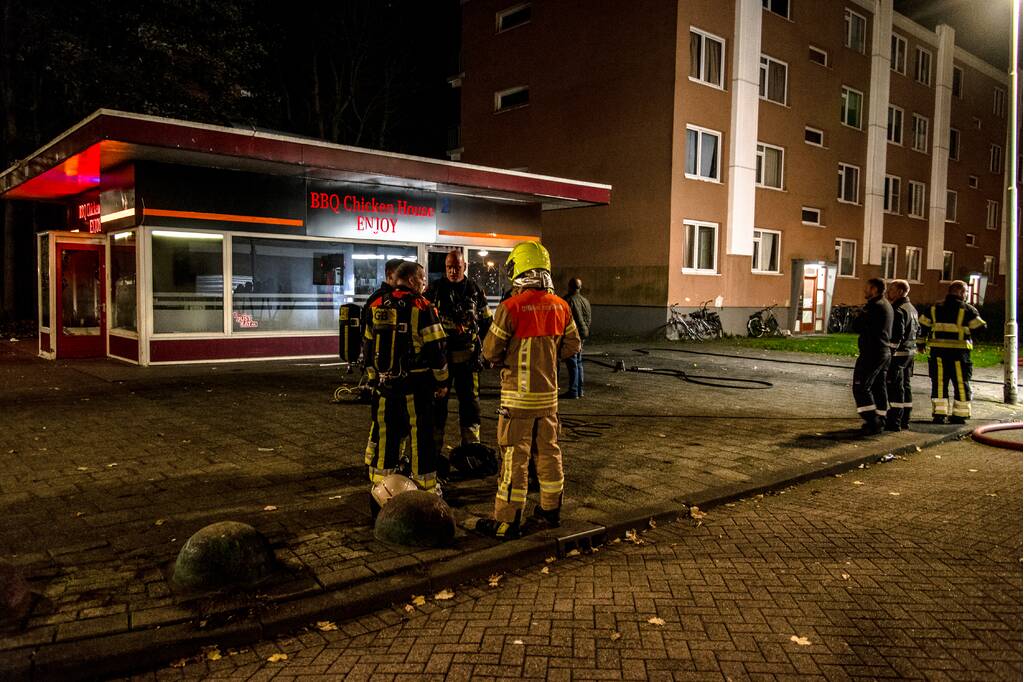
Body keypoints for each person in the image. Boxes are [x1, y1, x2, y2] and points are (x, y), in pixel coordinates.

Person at [475, 242, 581, 540]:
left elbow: (490, 351)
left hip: (517, 401)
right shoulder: (561, 306)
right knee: (549, 453)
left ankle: (507, 520)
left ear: (519, 268)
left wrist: (506, 359)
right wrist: (547, 356)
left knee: (514, 457)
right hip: (549, 401)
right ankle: (551, 510)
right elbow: (573, 346)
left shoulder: (510, 307)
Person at [362, 261, 449, 519]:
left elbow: (366, 348)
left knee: (386, 436)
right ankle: (427, 492)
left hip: (385, 386)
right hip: (417, 385)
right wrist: (442, 381)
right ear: (411, 280)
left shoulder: (376, 305)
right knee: (421, 437)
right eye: (422, 279)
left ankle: (381, 490)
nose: (425, 284)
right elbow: (436, 347)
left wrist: (373, 379)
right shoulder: (422, 306)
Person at [425, 250, 492, 453]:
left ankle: (471, 447)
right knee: (437, 406)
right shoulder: (434, 290)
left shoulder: (474, 290)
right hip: (440, 360)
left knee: (470, 405)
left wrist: (489, 352)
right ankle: (433, 450)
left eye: (457, 267)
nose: (453, 271)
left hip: (467, 360)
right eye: (449, 267)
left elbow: (487, 323)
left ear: (465, 267)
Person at [918, 280, 986, 424]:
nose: (966, 295)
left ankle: (939, 414)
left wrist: (921, 344)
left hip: (938, 353)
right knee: (961, 383)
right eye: (966, 292)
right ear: (961, 292)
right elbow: (981, 329)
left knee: (939, 383)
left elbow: (922, 327)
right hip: (959, 355)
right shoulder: (968, 310)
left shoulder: (934, 308)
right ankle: (960, 415)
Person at [852, 277, 893, 434]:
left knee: (860, 386)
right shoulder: (886, 305)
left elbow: (857, 326)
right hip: (883, 351)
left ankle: (872, 420)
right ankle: (881, 417)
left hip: (871, 353)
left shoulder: (873, 307)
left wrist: (859, 315)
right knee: (878, 386)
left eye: (867, 287)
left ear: (874, 289)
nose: (864, 290)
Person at [883, 279, 919, 431]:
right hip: (909, 353)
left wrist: (889, 352)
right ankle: (905, 418)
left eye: (890, 289)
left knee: (894, 386)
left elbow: (897, 334)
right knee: (905, 386)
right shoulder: (912, 308)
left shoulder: (898, 309)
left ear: (899, 291)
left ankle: (894, 421)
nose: (887, 292)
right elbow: (918, 330)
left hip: (898, 354)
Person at [561, 278, 591, 399]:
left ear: (569, 286)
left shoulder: (567, 300)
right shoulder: (585, 301)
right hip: (583, 334)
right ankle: (580, 390)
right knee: (578, 363)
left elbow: (563, 319)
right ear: (580, 287)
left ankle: (573, 391)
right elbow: (588, 319)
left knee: (572, 363)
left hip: (572, 336)